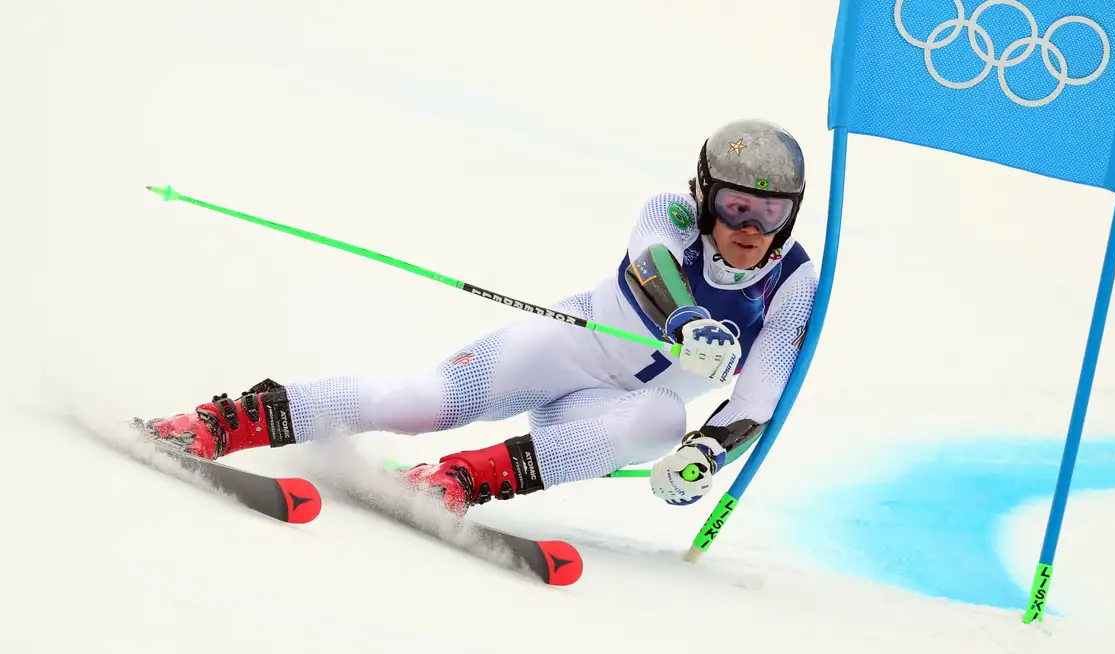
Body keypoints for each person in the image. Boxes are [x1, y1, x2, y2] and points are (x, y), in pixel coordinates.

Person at [142, 117, 819, 515]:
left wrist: (705, 456)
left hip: (609, 414)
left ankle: (457, 480)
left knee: (663, 421)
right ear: (704, 194)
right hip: (567, 348)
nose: (751, 229)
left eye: (771, 213)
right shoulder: (670, 212)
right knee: (423, 403)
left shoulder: (793, 281)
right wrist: (687, 323)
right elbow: (652, 263)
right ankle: (225, 422)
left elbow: (758, 397)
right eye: (735, 206)